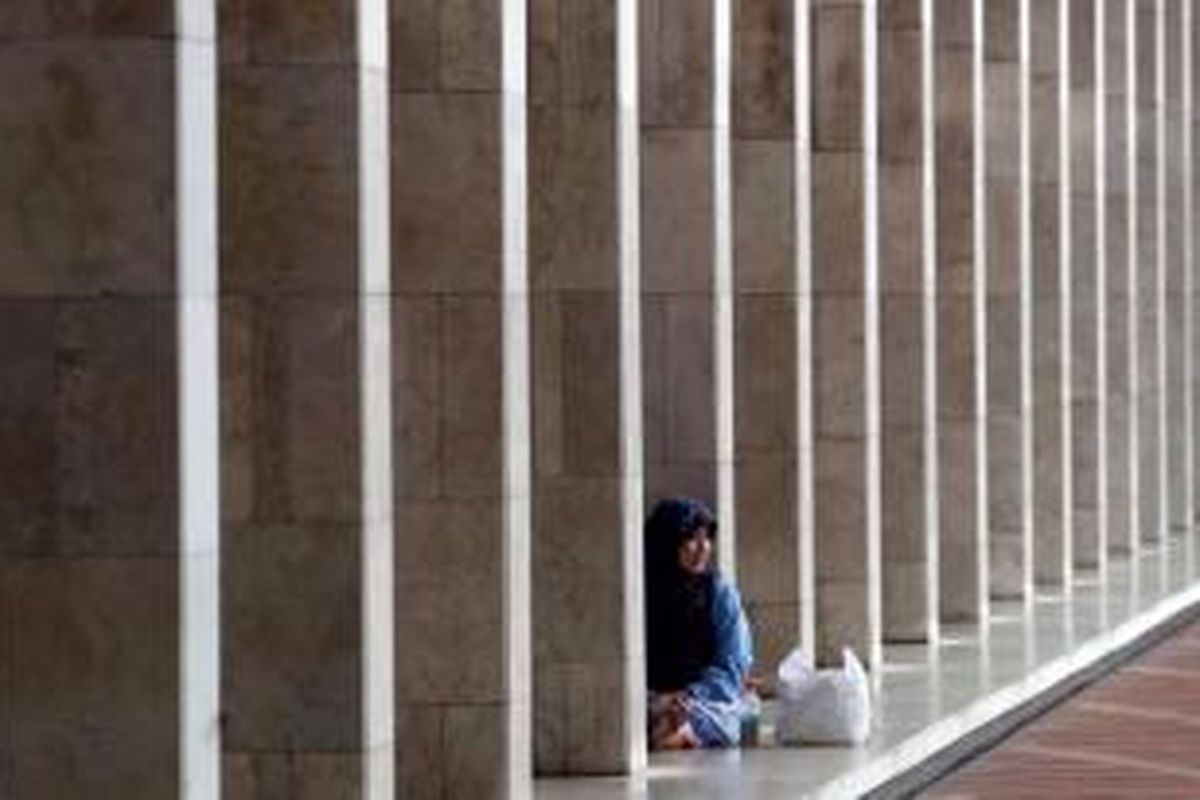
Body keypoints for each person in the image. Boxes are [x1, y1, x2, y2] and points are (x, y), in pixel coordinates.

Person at [644, 497, 756, 750]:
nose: (702, 548)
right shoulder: (641, 594)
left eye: (706, 539)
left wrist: (689, 695)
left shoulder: (718, 594)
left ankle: (678, 729)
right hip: (651, 699)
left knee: (726, 717)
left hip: (702, 700)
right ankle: (670, 727)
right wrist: (657, 699)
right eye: (691, 539)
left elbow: (733, 665)